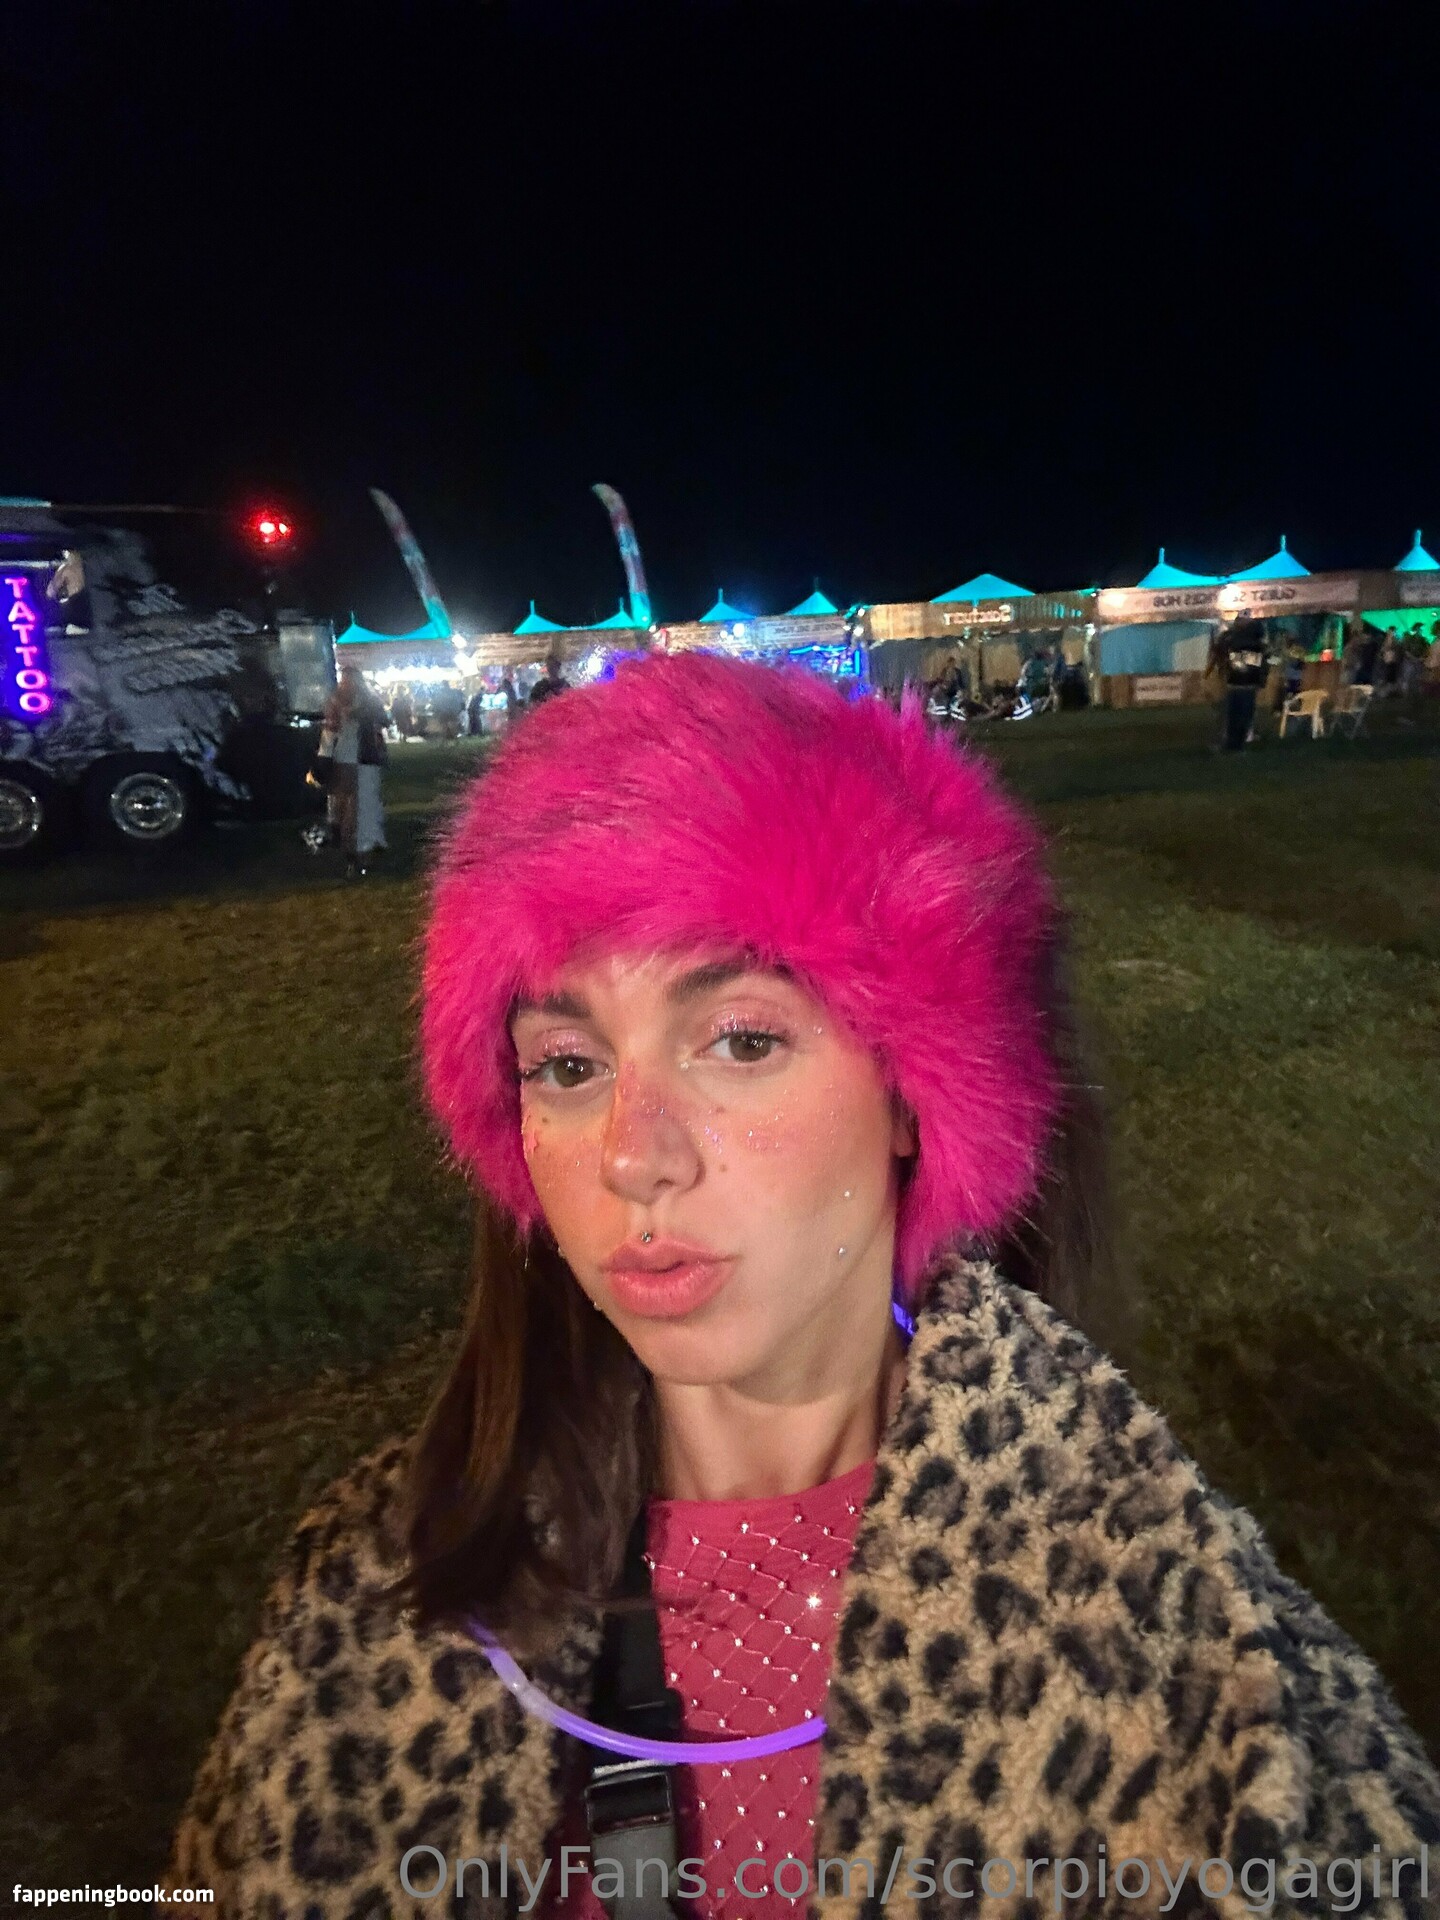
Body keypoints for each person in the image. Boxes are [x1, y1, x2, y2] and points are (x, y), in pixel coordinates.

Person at [164, 655, 1439, 1918]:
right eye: (567, 1063)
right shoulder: (374, 1593)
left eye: (741, 1039)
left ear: (914, 1093)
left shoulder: (1196, 1679)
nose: (633, 1156)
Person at [322, 664, 388, 879]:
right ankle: (358, 852)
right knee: (357, 808)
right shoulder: (356, 701)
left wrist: (324, 755)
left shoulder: (342, 701)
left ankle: (356, 853)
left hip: (356, 758)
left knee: (356, 808)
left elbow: (329, 732)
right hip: (355, 759)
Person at [1214, 617, 1271, 750]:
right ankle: (1238, 743)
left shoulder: (1234, 640)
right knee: (1244, 716)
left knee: (1234, 717)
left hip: (1236, 683)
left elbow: (1223, 649)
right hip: (1249, 684)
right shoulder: (1258, 643)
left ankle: (1231, 743)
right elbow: (1263, 664)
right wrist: (1261, 680)